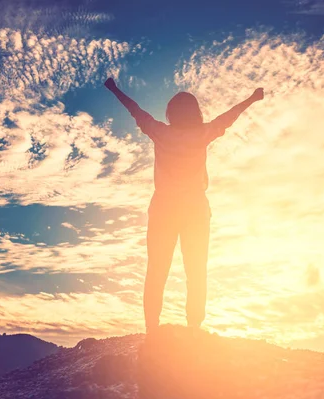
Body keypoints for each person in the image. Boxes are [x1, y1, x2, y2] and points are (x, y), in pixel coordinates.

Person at [105, 77, 264, 334]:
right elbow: (229, 116)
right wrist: (252, 99)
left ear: (170, 114)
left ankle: (152, 328)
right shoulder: (202, 134)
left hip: (164, 209)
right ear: (196, 113)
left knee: (157, 268)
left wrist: (114, 89)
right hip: (195, 210)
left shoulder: (160, 132)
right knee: (196, 269)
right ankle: (193, 328)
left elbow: (135, 110)